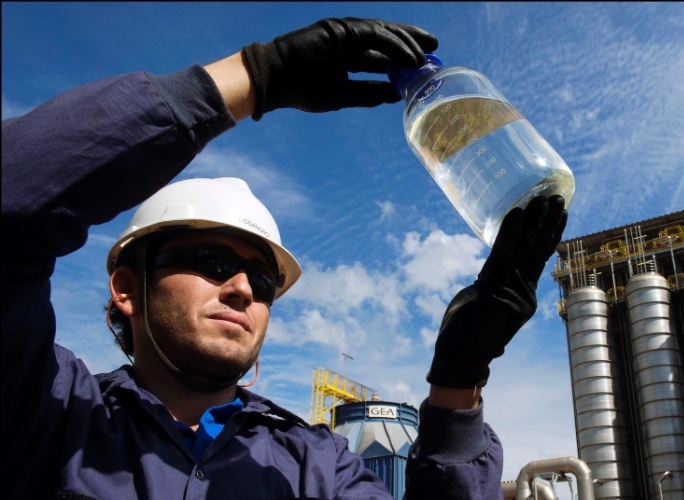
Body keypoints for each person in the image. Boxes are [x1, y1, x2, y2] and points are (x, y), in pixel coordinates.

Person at [1, 16, 567, 499]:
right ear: (127, 288)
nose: (245, 290)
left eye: (265, 282)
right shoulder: (49, 411)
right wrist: (254, 76)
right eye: (212, 262)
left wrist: (457, 381)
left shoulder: (312, 464)